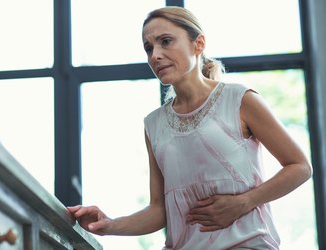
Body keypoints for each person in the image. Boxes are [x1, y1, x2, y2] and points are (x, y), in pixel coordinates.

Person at [67, 6, 312, 249]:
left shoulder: (240, 99)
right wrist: (109, 224)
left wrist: (244, 202)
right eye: (149, 48)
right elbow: (160, 209)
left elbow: (300, 167)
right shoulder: (153, 125)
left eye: (166, 41)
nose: (155, 56)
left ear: (199, 44)